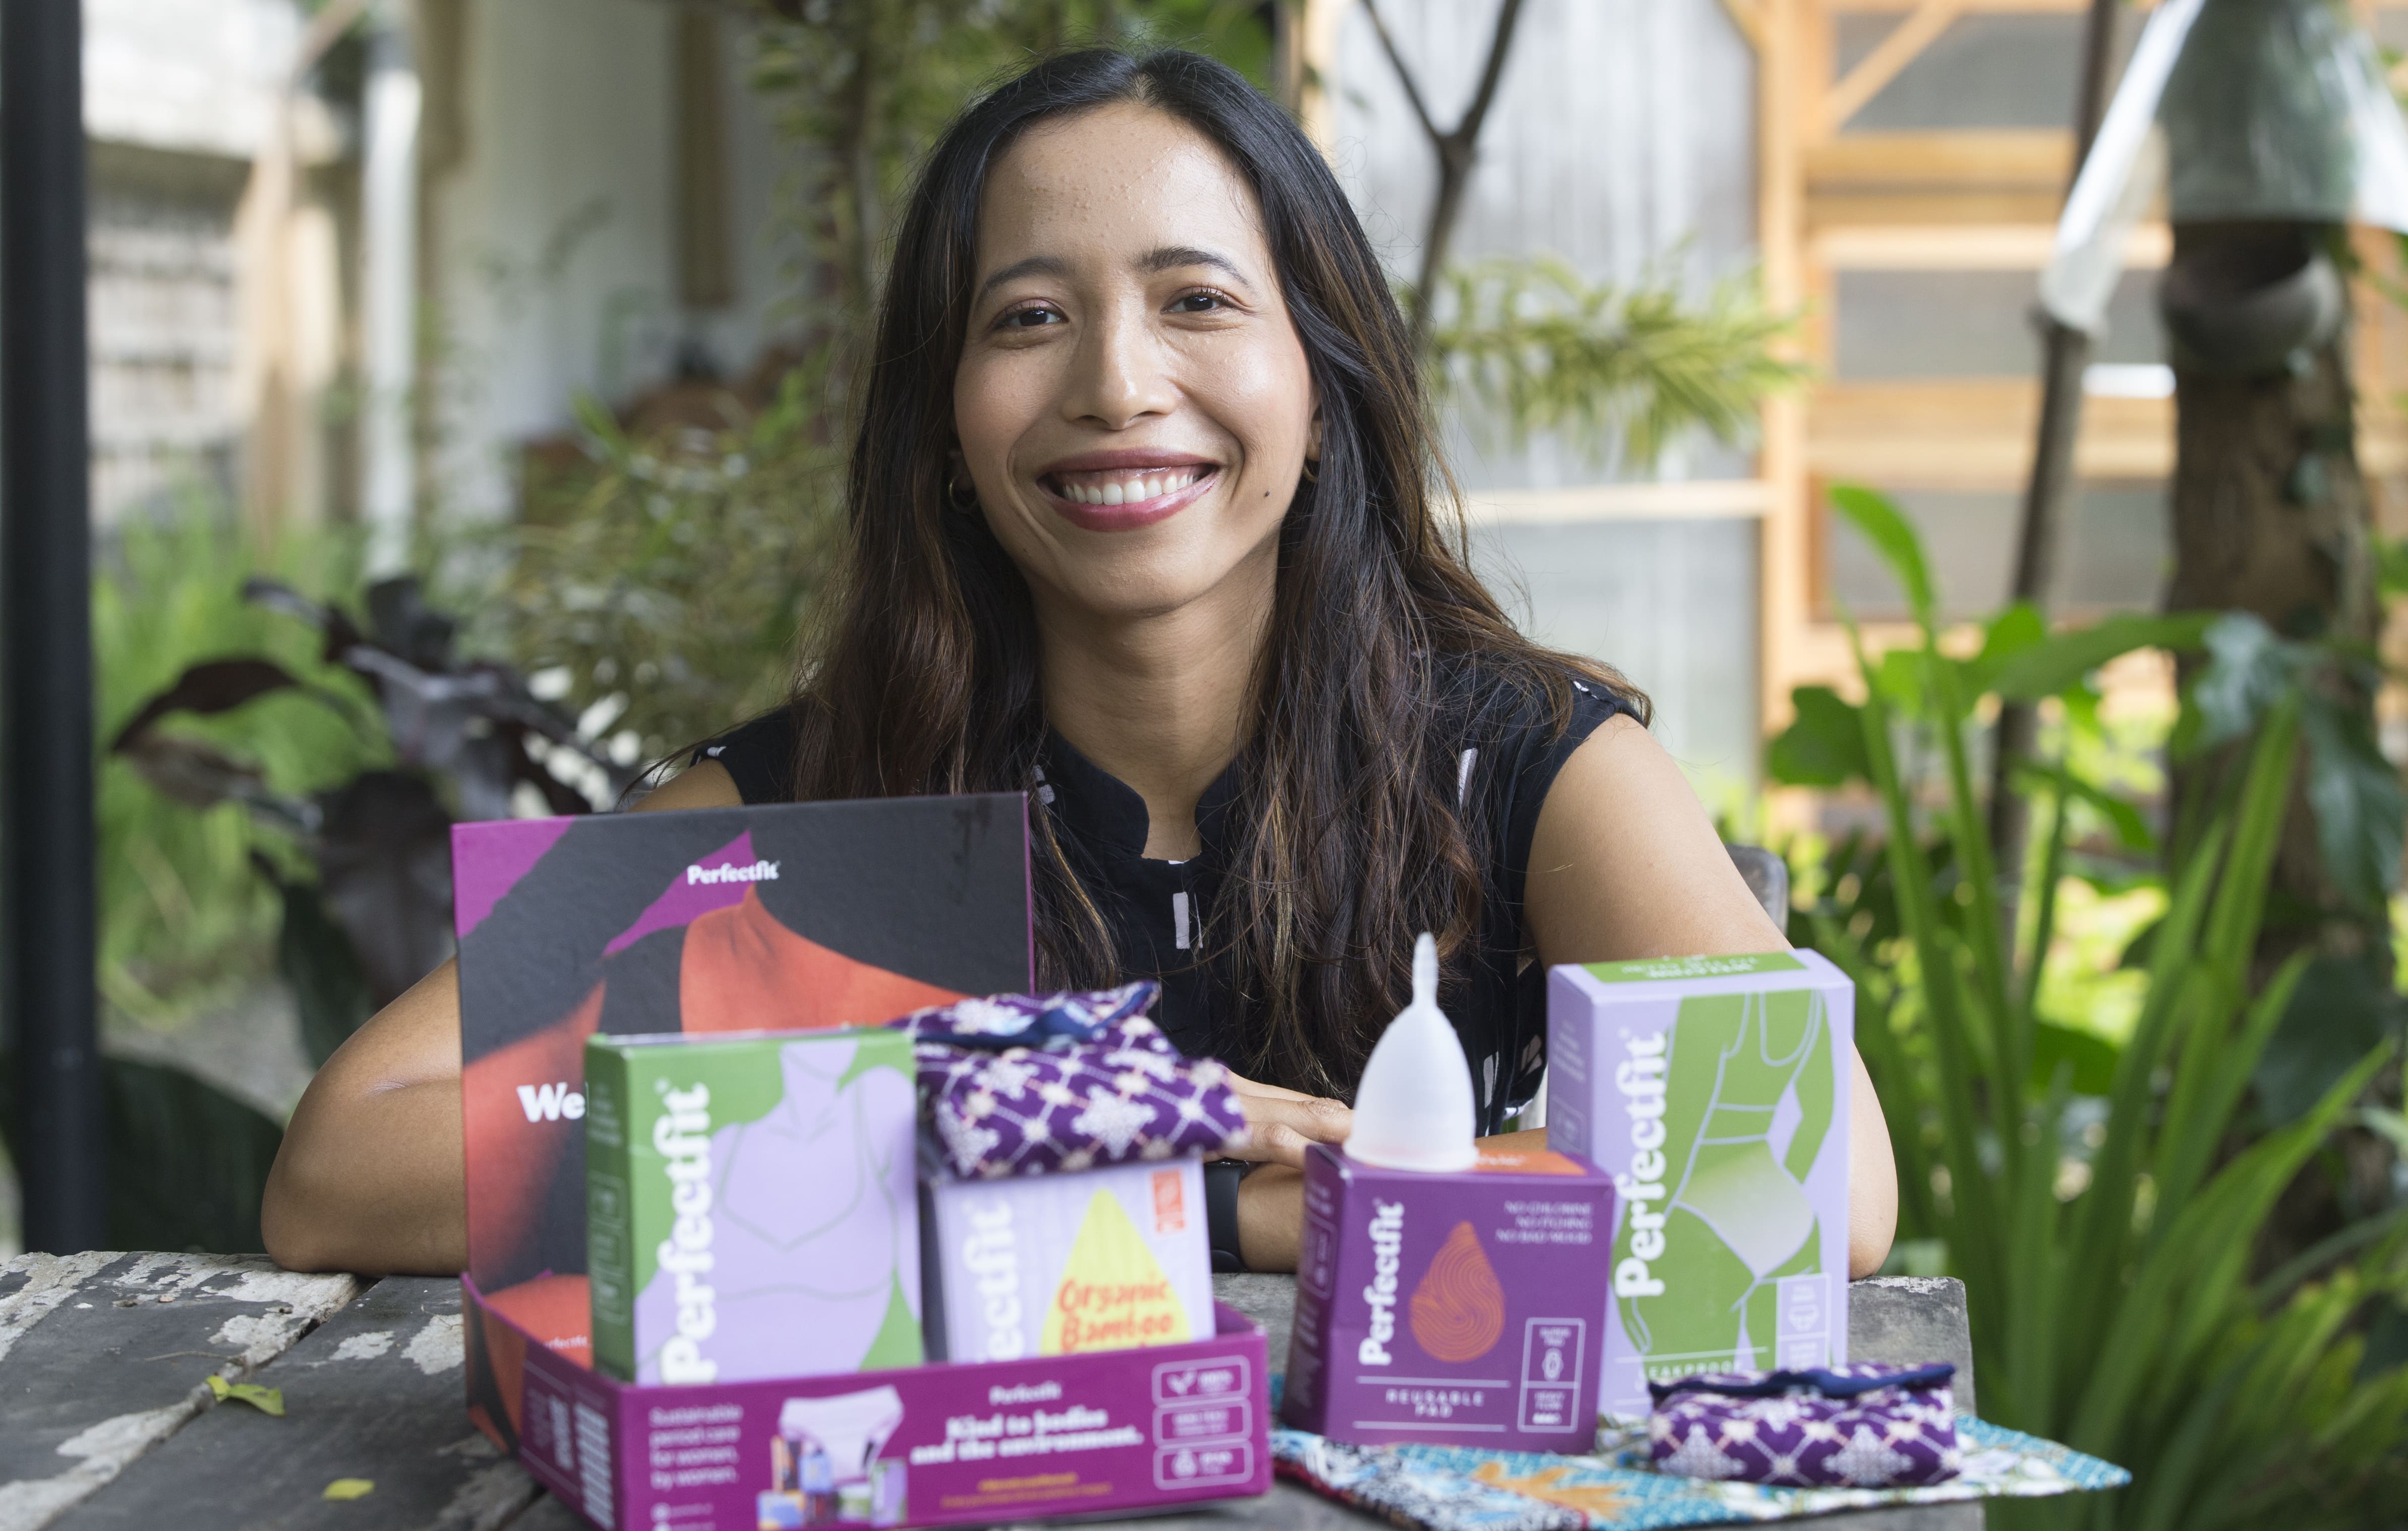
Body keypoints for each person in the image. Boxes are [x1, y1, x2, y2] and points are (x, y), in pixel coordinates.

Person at [263, 46, 1896, 1280]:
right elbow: (345, 1167)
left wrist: (1278, 1208)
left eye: (1196, 298)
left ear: (1320, 381)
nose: (1118, 383)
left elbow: (1825, 1188)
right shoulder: (805, 802)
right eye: (1029, 316)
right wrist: (1118, 1161)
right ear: (947, 417)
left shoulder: (1528, 758)